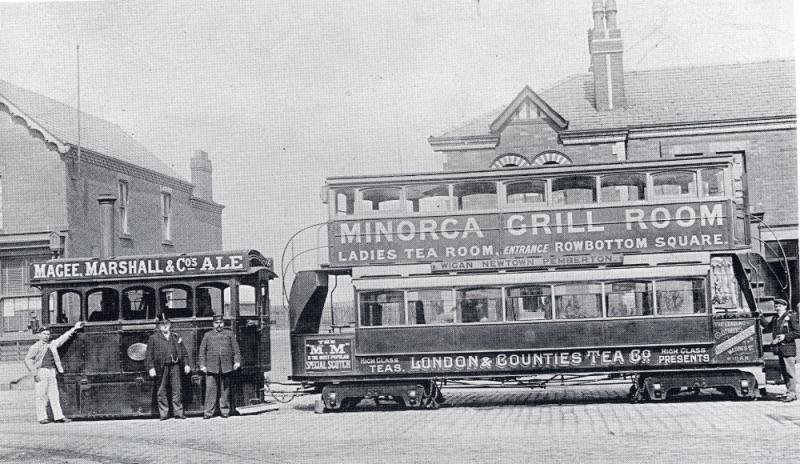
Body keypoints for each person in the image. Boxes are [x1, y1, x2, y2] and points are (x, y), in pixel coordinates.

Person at [24, 321, 84, 424]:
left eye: (48, 334)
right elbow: (28, 359)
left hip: (52, 372)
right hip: (41, 372)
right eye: (44, 334)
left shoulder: (52, 344)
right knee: (41, 395)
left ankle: (58, 416)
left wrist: (75, 328)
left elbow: (63, 338)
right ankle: (42, 417)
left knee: (54, 395)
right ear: (39, 335)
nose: (46, 336)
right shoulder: (35, 346)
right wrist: (34, 373)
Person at [145, 314, 191, 419]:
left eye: (166, 324)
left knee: (177, 390)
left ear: (170, 325)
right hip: (161, 367)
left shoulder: (176, 336)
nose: (165, 326)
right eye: (162, 324)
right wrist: (151, 368)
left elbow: (184, 352)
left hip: (175, 366)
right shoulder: (153, 338)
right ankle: (164, 414)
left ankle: (178, 413)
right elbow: (149, 355)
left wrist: (186, 364)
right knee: (161, 390)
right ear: (159, 326)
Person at [198, 315, 241, 419]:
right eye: (216, 323)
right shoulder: (207, 335)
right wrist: (202, 365)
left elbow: (236, 350)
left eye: (220, 323)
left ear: (223, 323)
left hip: (226, 367)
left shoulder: (229, 334)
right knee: (210, 391)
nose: (219, 325)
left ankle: (225, 411)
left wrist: (237, 362)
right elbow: (202, 352)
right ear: (213, 324)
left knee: (225, 391)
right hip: (211, 367)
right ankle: (208, 412)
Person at [760, 298, 800, 402]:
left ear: (785, 307)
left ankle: (792, 393)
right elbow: (767, 327)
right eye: (776, 306)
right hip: (779, 349)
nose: (777, 308)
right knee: (784, 372)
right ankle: (789, 392)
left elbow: (798, 332)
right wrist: (761, 317)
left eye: (779, 306)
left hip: (788, 348)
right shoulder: (775, 318)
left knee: (790, 372)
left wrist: (785, 336)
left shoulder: (791, 317)